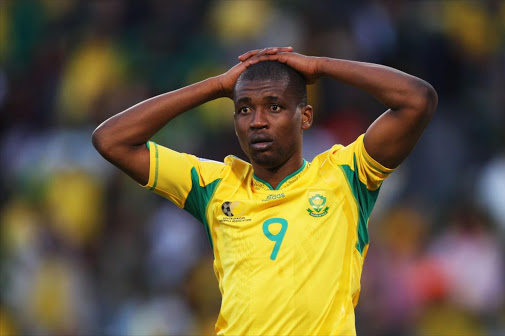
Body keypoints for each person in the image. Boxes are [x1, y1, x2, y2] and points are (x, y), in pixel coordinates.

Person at [92, 47, 437, 335]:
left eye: (274, 106)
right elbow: (111, 140)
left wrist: (320, 66)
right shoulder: (213, 185)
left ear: (305, 116)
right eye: (244, 109)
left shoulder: (345, 176)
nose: (257, 120)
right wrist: (216, 86)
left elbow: (417, 99)